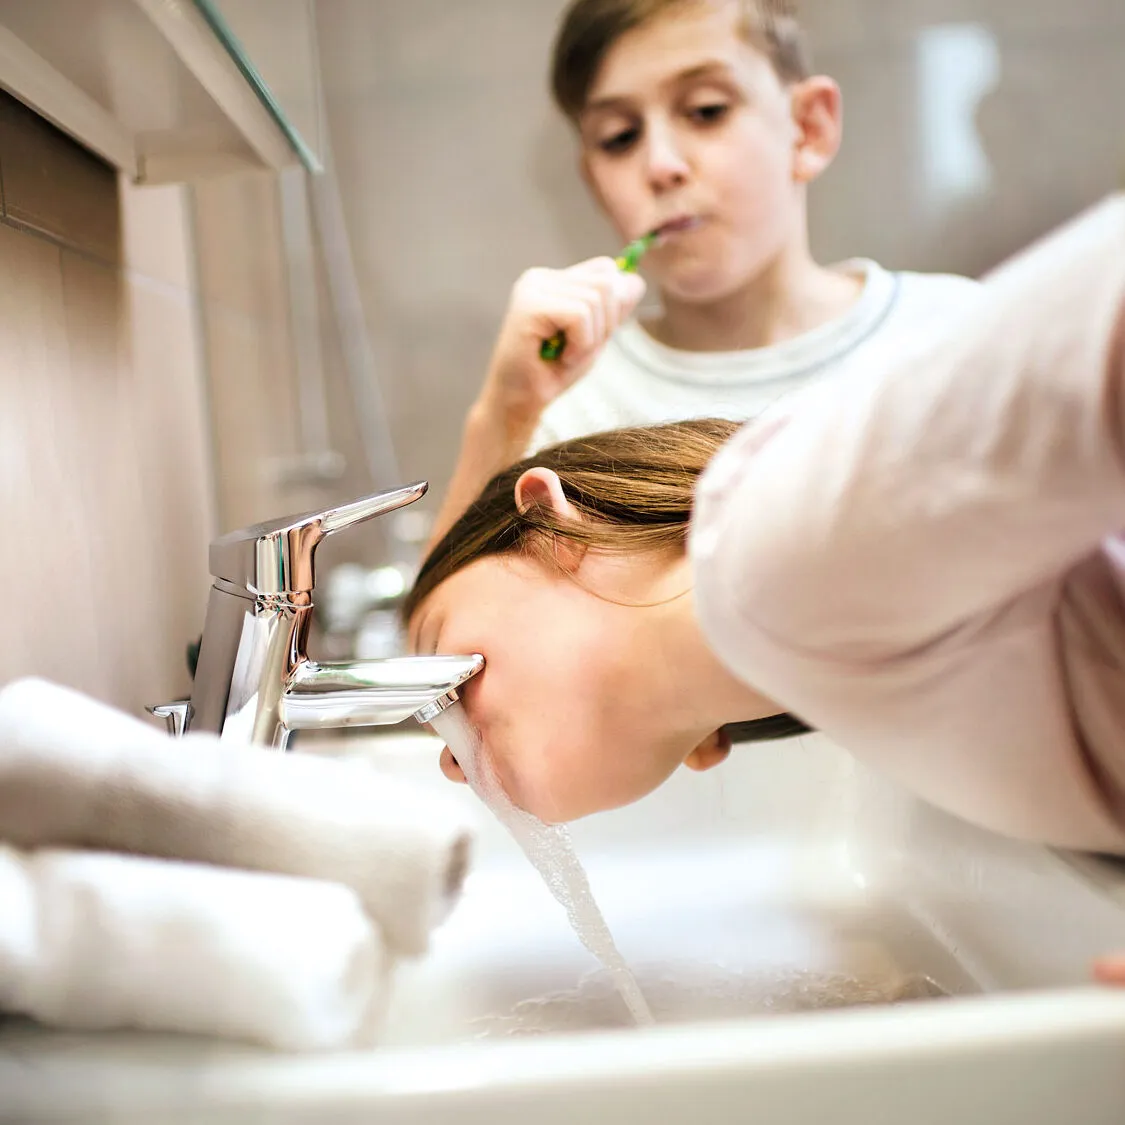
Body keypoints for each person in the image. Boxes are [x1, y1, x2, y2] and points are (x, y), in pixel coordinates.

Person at [405, 194, 1125, 858]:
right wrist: (501, 414)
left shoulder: (768, 552)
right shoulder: (815, 651)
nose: (446, 752)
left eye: (442, 660)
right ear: (707, 747)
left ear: (556, 531)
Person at [429, 0, 979, 546]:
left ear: (809, 127)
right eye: (620, 137)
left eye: (706, 110)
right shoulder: (565, 405)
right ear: (594, 182)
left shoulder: (959, 334)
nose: (660, 165)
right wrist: (504, 414)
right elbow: (449, 605)